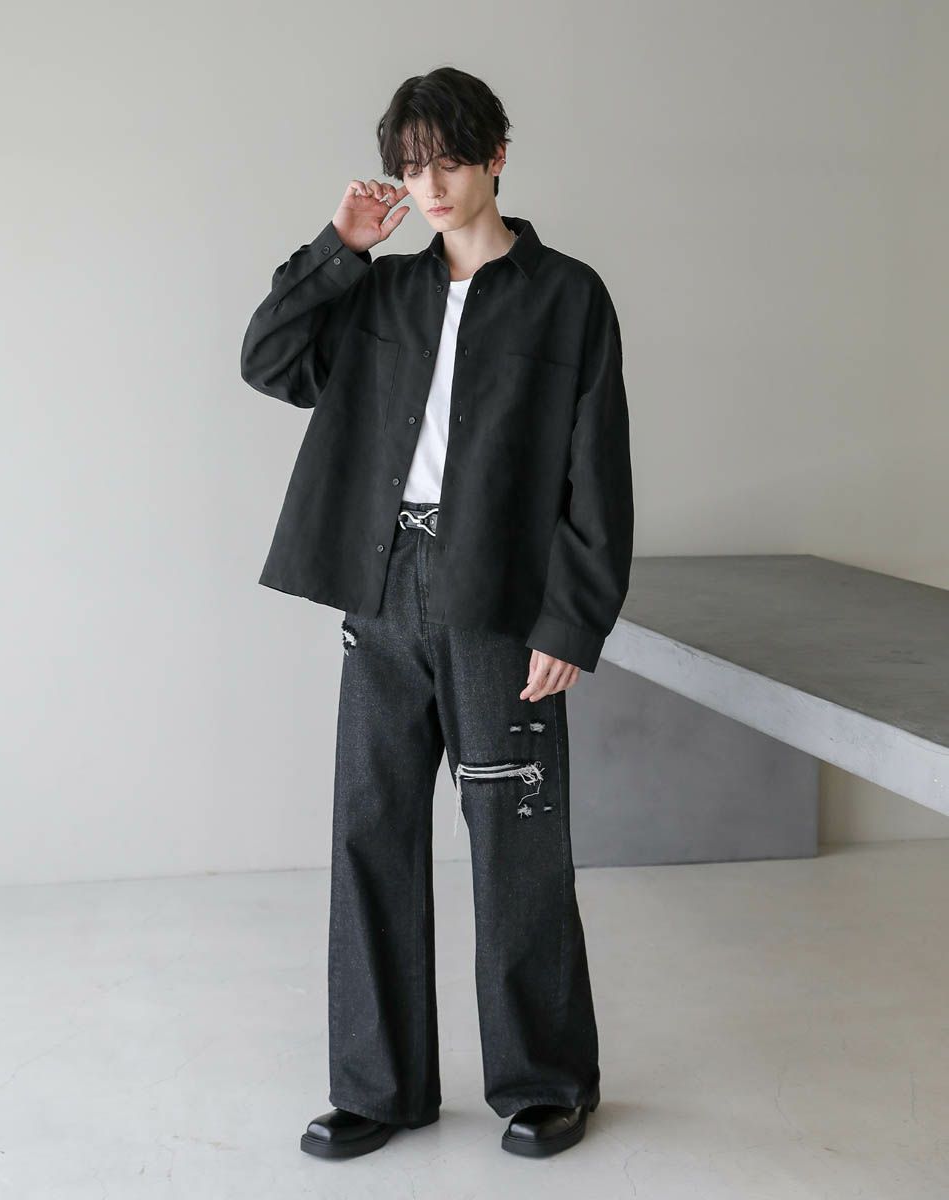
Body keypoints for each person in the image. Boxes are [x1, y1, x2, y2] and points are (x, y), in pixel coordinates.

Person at [240, 66, 633, 1159]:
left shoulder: (568, 296)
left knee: (516, 842)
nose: (430, 185)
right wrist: (340, 247)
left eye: (450, 161)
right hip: (383, 588)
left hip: (497, 597)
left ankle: (544, 1081)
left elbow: (595, 472)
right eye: (412, 168)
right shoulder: (379, 293)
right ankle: (380, 1088)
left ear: (497, 156)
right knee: (368, 832)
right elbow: (268, 360)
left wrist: (572, 622)